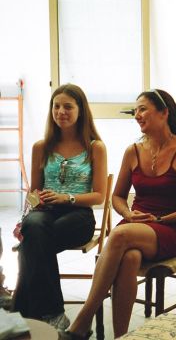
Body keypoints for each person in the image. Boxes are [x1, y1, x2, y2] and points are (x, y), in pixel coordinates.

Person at [62, 89, 176, 339]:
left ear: (164, 113)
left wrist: (161, 219)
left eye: (143, 109)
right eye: (135, 110)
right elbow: (117, 196)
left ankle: (83, 320)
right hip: (136, 225)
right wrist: (128, 214)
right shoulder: (133, 151)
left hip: (174, 228)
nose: (137, 115)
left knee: (119, 236)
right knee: (129, 258)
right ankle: (121, 336)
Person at [13, 84, 108, 330]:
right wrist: (33, 206)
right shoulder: (41, 147)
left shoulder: (95, 147)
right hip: (46, 212)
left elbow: (99, 196)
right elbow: (33, 193)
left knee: (33, 241)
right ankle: (54, 314)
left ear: (80, 110)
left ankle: (23, 309)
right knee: (34, 227)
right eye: (56, 106)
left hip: (79, 214)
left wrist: (67, 198)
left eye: (68, 106)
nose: (61, 112)